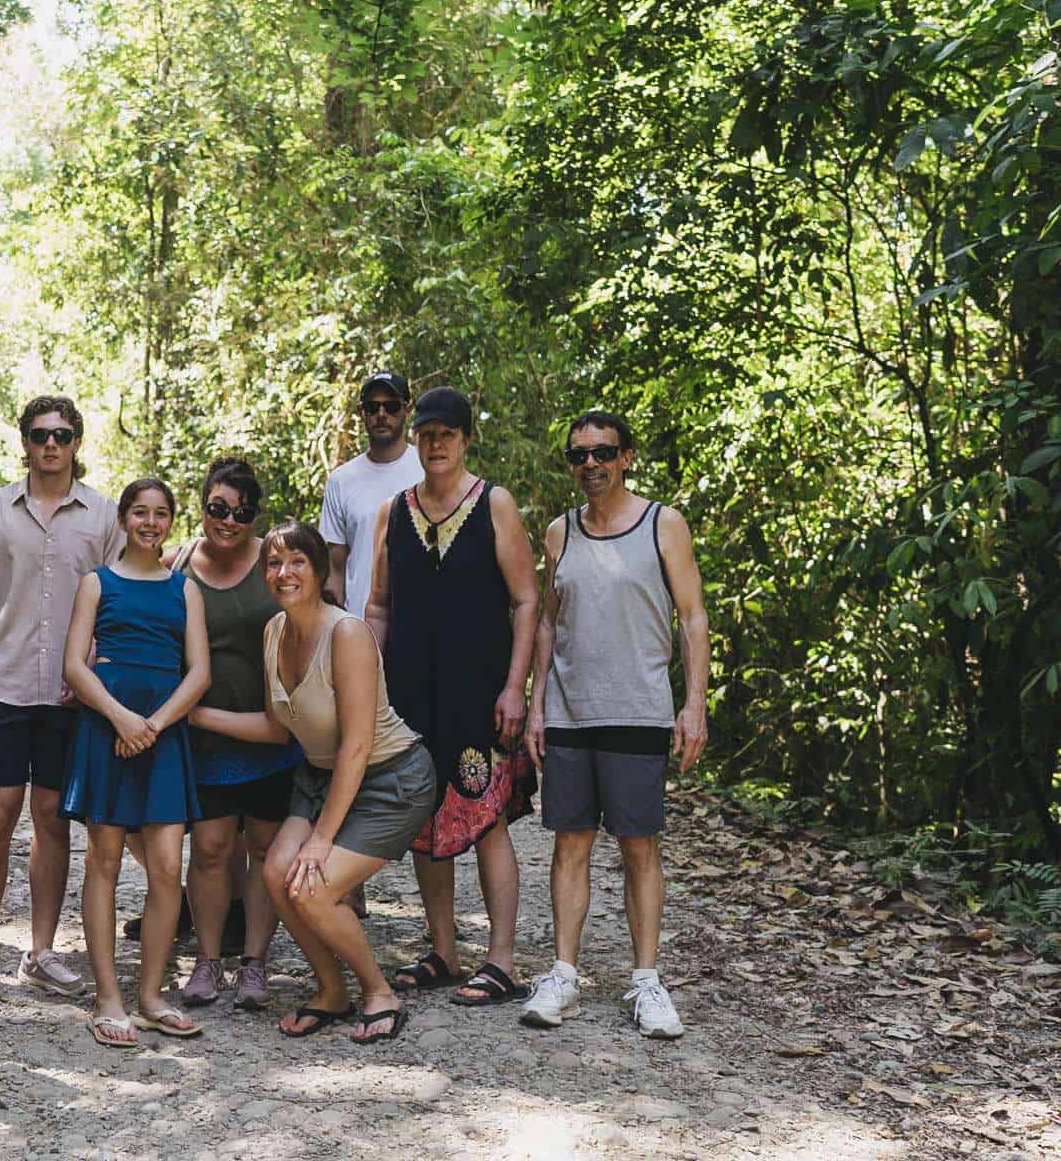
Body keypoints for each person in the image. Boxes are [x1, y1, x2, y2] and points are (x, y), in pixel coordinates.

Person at [190, 522, 435, 1044]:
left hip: (390, 778)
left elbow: (358, 746)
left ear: (320, 570)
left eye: (297, 561)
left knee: (312, 887)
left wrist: (322, 839)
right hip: (319, 778)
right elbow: (278, 728)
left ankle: (379, 992)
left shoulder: (346, 632)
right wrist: (196, 716)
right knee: (278, 873)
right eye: (274, 563)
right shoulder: (274, 631)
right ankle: (331, 991)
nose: (284, 572)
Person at [522, 411, 710, 1039]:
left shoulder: (664, 524)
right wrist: (536, 703)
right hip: (572, 712)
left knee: (639, 847)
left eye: (603, 452)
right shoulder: (558, 534)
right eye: (579, 455)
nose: (591, 464)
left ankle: (646, 981)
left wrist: (694, 705)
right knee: (570, 843)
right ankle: (563, 974)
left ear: (626, 456)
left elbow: (692, 619)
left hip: (640, 710)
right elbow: (549, 621)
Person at [363, 387, 540, 1006]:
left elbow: (525, 601)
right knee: (423, 821)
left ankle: (502, 960)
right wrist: (369, 683)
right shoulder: (394, 511)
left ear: (465, 439)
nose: (435, 443)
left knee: (486, 817)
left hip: (479, 695)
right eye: (426, 433)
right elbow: (379, 606)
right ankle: (443, 949)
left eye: (447, 433)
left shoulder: (494, 504)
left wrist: (515, 687)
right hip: (410, 696)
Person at [0, 396, 121, 1000]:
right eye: (40, 434)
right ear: (24, 441)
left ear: (77, 443)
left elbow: (117, 601)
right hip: (4, 682)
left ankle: (42, 951)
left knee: (51, 819)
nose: (51, 445)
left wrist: (99, 672)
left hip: (70, 693)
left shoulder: (103, 515)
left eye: (63, 435)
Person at [60, 479, 210, 1046]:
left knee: (168, 866)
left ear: (171, 521)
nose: (151, 522)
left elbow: (199, 672)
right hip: (107, 726)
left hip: (163, 733)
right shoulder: (96, 584)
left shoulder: (184, 589)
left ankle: (151, 994)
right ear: (123, 519)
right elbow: (75, 665)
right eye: (140, 513)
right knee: (103, 861)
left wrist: (153, 726)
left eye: (162, 514)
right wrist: (122, 719)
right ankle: (108, 997)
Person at [168, 458, 299, 1012]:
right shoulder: (178, 565)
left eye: (241, 513)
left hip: (271, 732)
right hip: (204, 735)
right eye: (218, 508)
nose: (228, 521)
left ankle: (255, 963)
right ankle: (206, 960)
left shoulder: (273, 560)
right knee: (212, 849)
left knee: (265, 850)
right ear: (201, 507)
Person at [318, 371, 424, 617]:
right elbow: (336, 567)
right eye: (372, 407)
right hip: (359, 623)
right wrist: (337, 624)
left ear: (407, 410)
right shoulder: (341, 481)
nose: (381, 414)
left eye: (391, 406)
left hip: (420, 622)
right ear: (361, 412)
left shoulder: (428, 469)